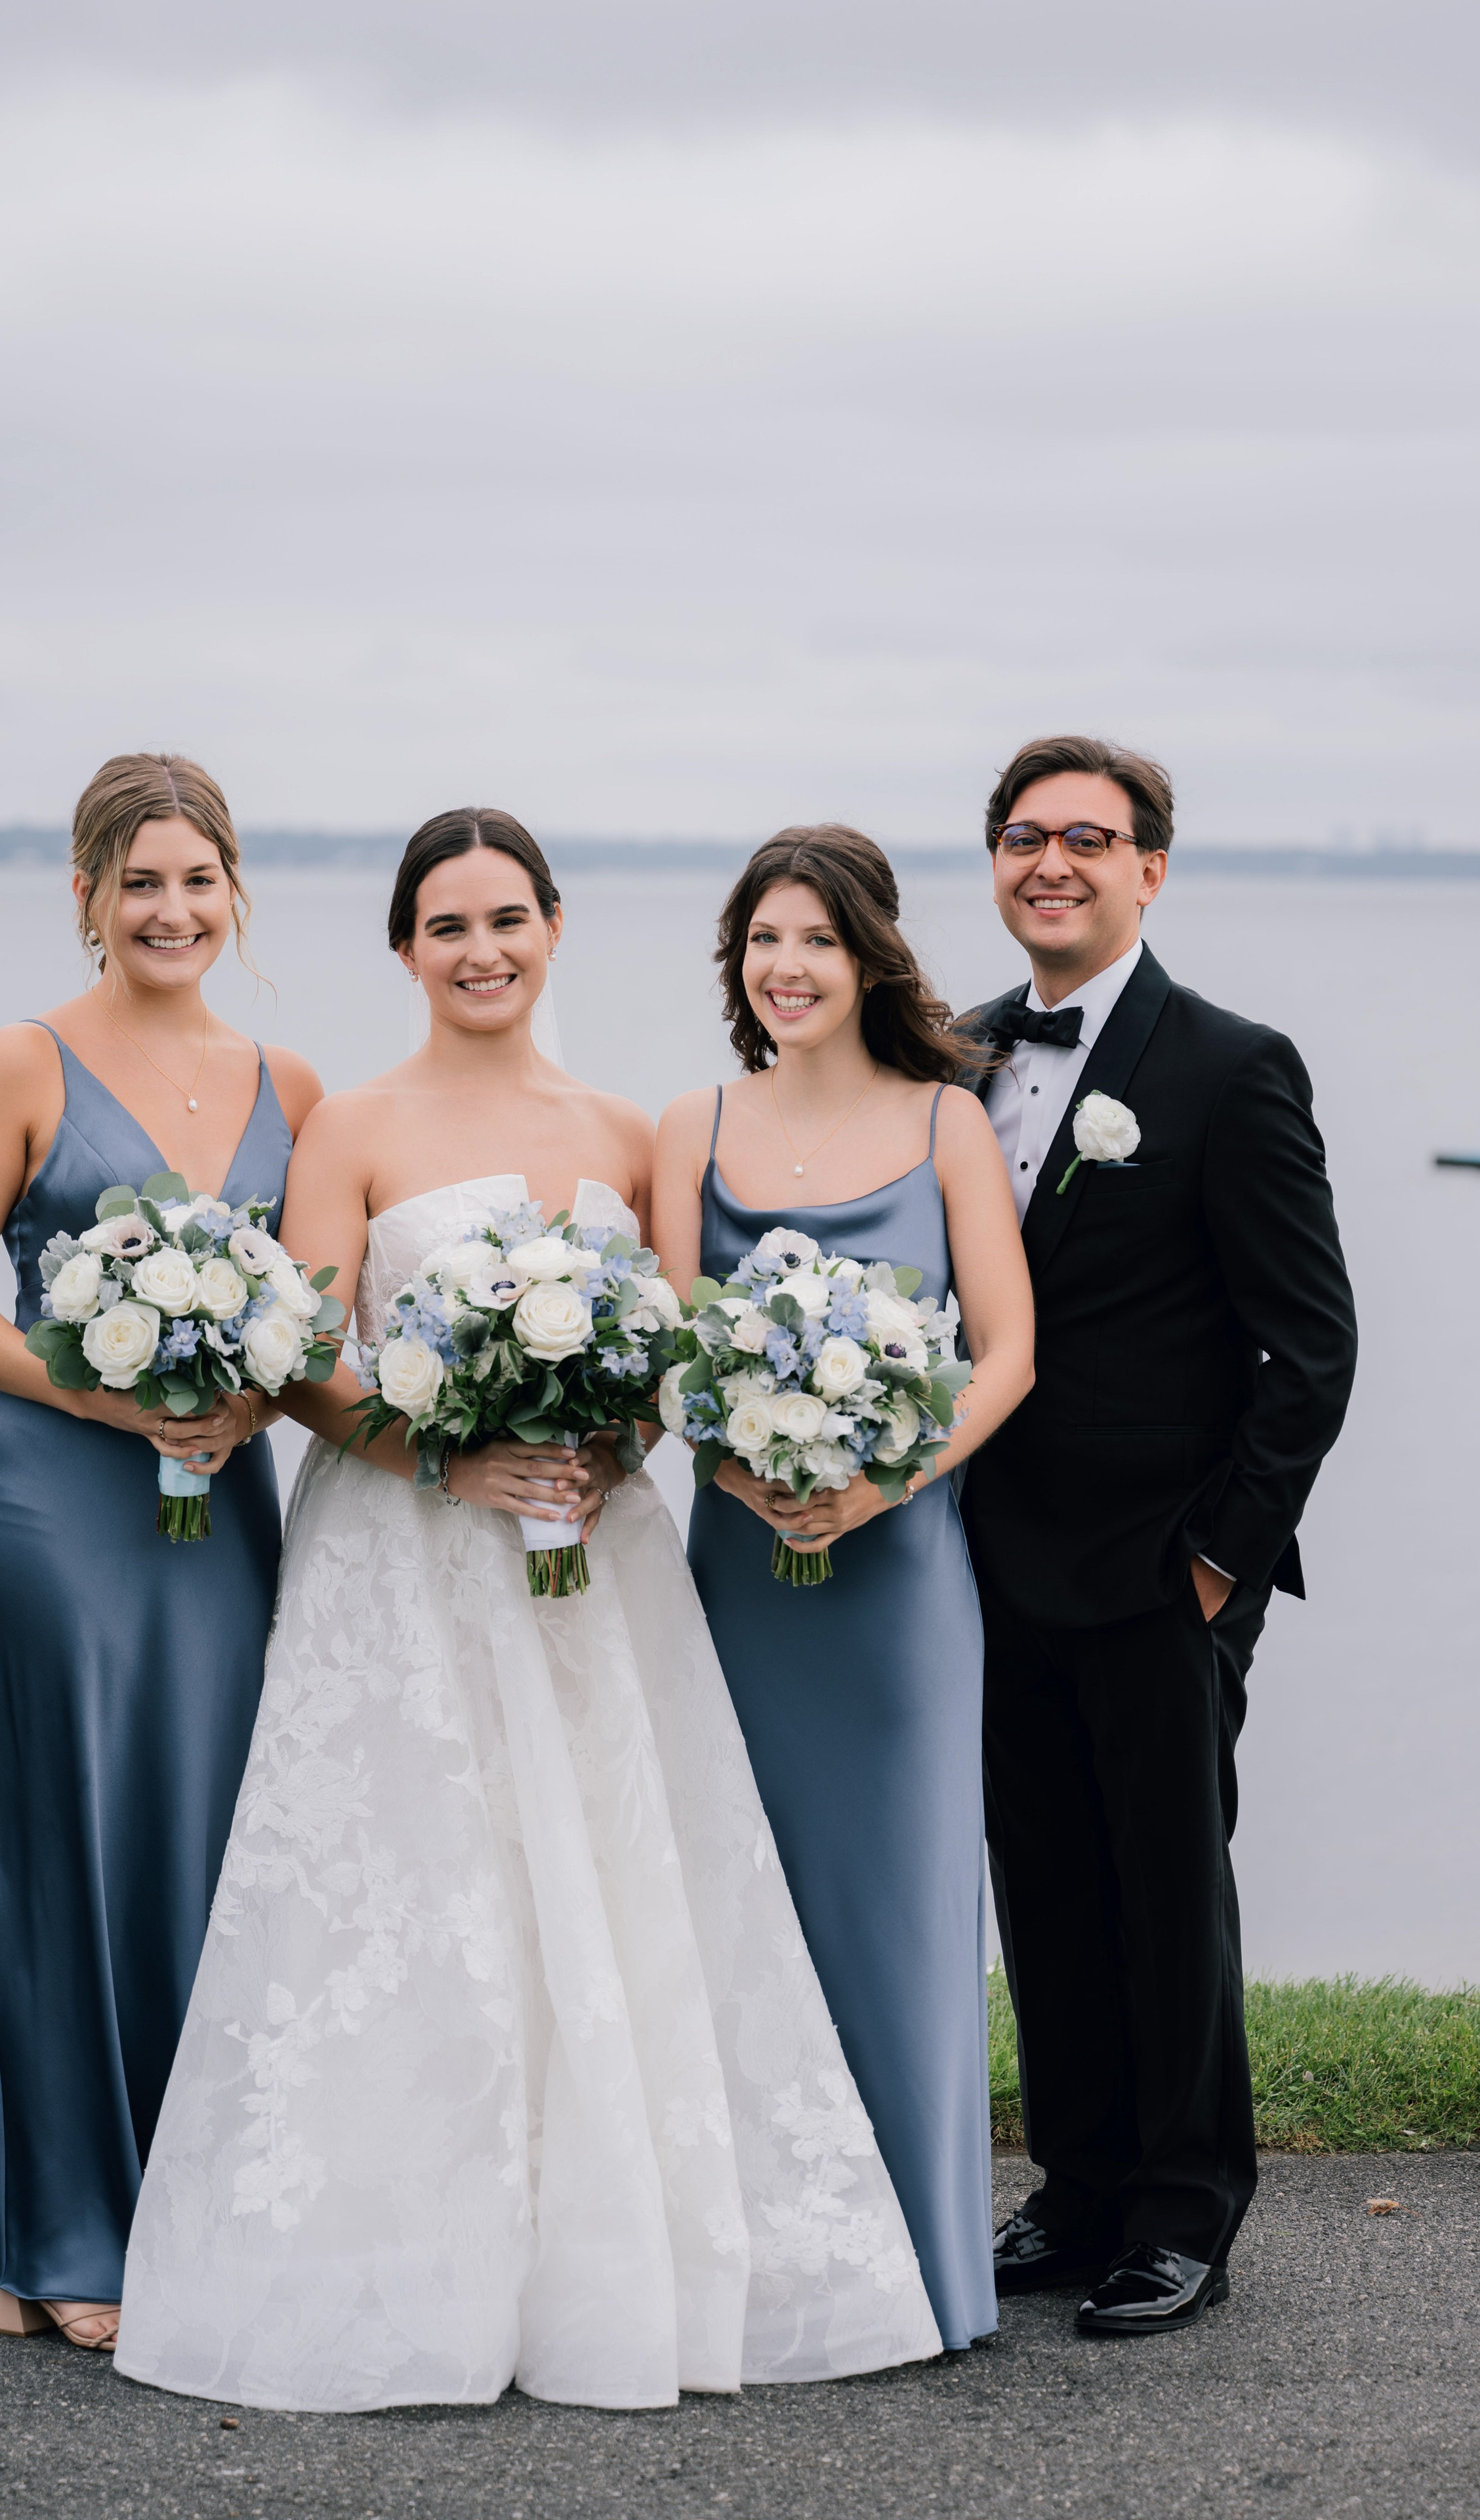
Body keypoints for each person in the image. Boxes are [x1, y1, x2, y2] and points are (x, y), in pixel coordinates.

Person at [116, 808, 941, 2411]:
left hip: (590, 1557)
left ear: (554, 929)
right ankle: (400, 2260)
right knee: (423, 1878)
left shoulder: (634, 1130)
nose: (480, 950)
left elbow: (669, 1364)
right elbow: (296, 1354)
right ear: (404, 949)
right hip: (402, 1561)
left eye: (507, 918)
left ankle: (614, 2260)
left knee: (609, 1880)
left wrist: (597, 1445)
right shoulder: (349, 1123)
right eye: (446, 926)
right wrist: (450, 1454)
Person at [0, 753, 323, 2352]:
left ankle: (171, 2205)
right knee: (60, 1845)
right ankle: (63, 2229)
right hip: (49, 1507)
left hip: (220, 1509)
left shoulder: (292, 1088)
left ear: (235, 893)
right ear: (86, 896)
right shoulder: (21, 1062)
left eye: (196, 879)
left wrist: (249, 1395)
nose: (169, 909)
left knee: (203, 1843)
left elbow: (308, 1315)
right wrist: (102, 1388)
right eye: (137, 881)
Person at [962, 733, 1357, 2336]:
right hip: (983, 1555)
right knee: (1041, 1876)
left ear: (1148, 868)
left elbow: (1308, 1345)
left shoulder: (1227, 1063)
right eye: (1021, 835)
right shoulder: (955, 1050)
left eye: (1086, 837)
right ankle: (1076, 2183)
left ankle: (1183, 2208)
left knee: (1164, 1882)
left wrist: (1219, 1562)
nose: (1050, 861)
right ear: (991, 860)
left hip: (1155, 1566)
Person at [651, 824, 1036, 2354]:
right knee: (732, 1891)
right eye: (761, 940)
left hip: (899, 1583)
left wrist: (886, 1476)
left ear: (867, 953)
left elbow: (1004, 1351)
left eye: (813, 938)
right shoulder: (692, 1123)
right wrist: (732, 1461)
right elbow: (677, 1348)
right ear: (736, 964)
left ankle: (921, 2271)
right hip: (735, 1570)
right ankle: (755, 2269)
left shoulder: (948, 1121)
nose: (786, 967)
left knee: (893, 1906)